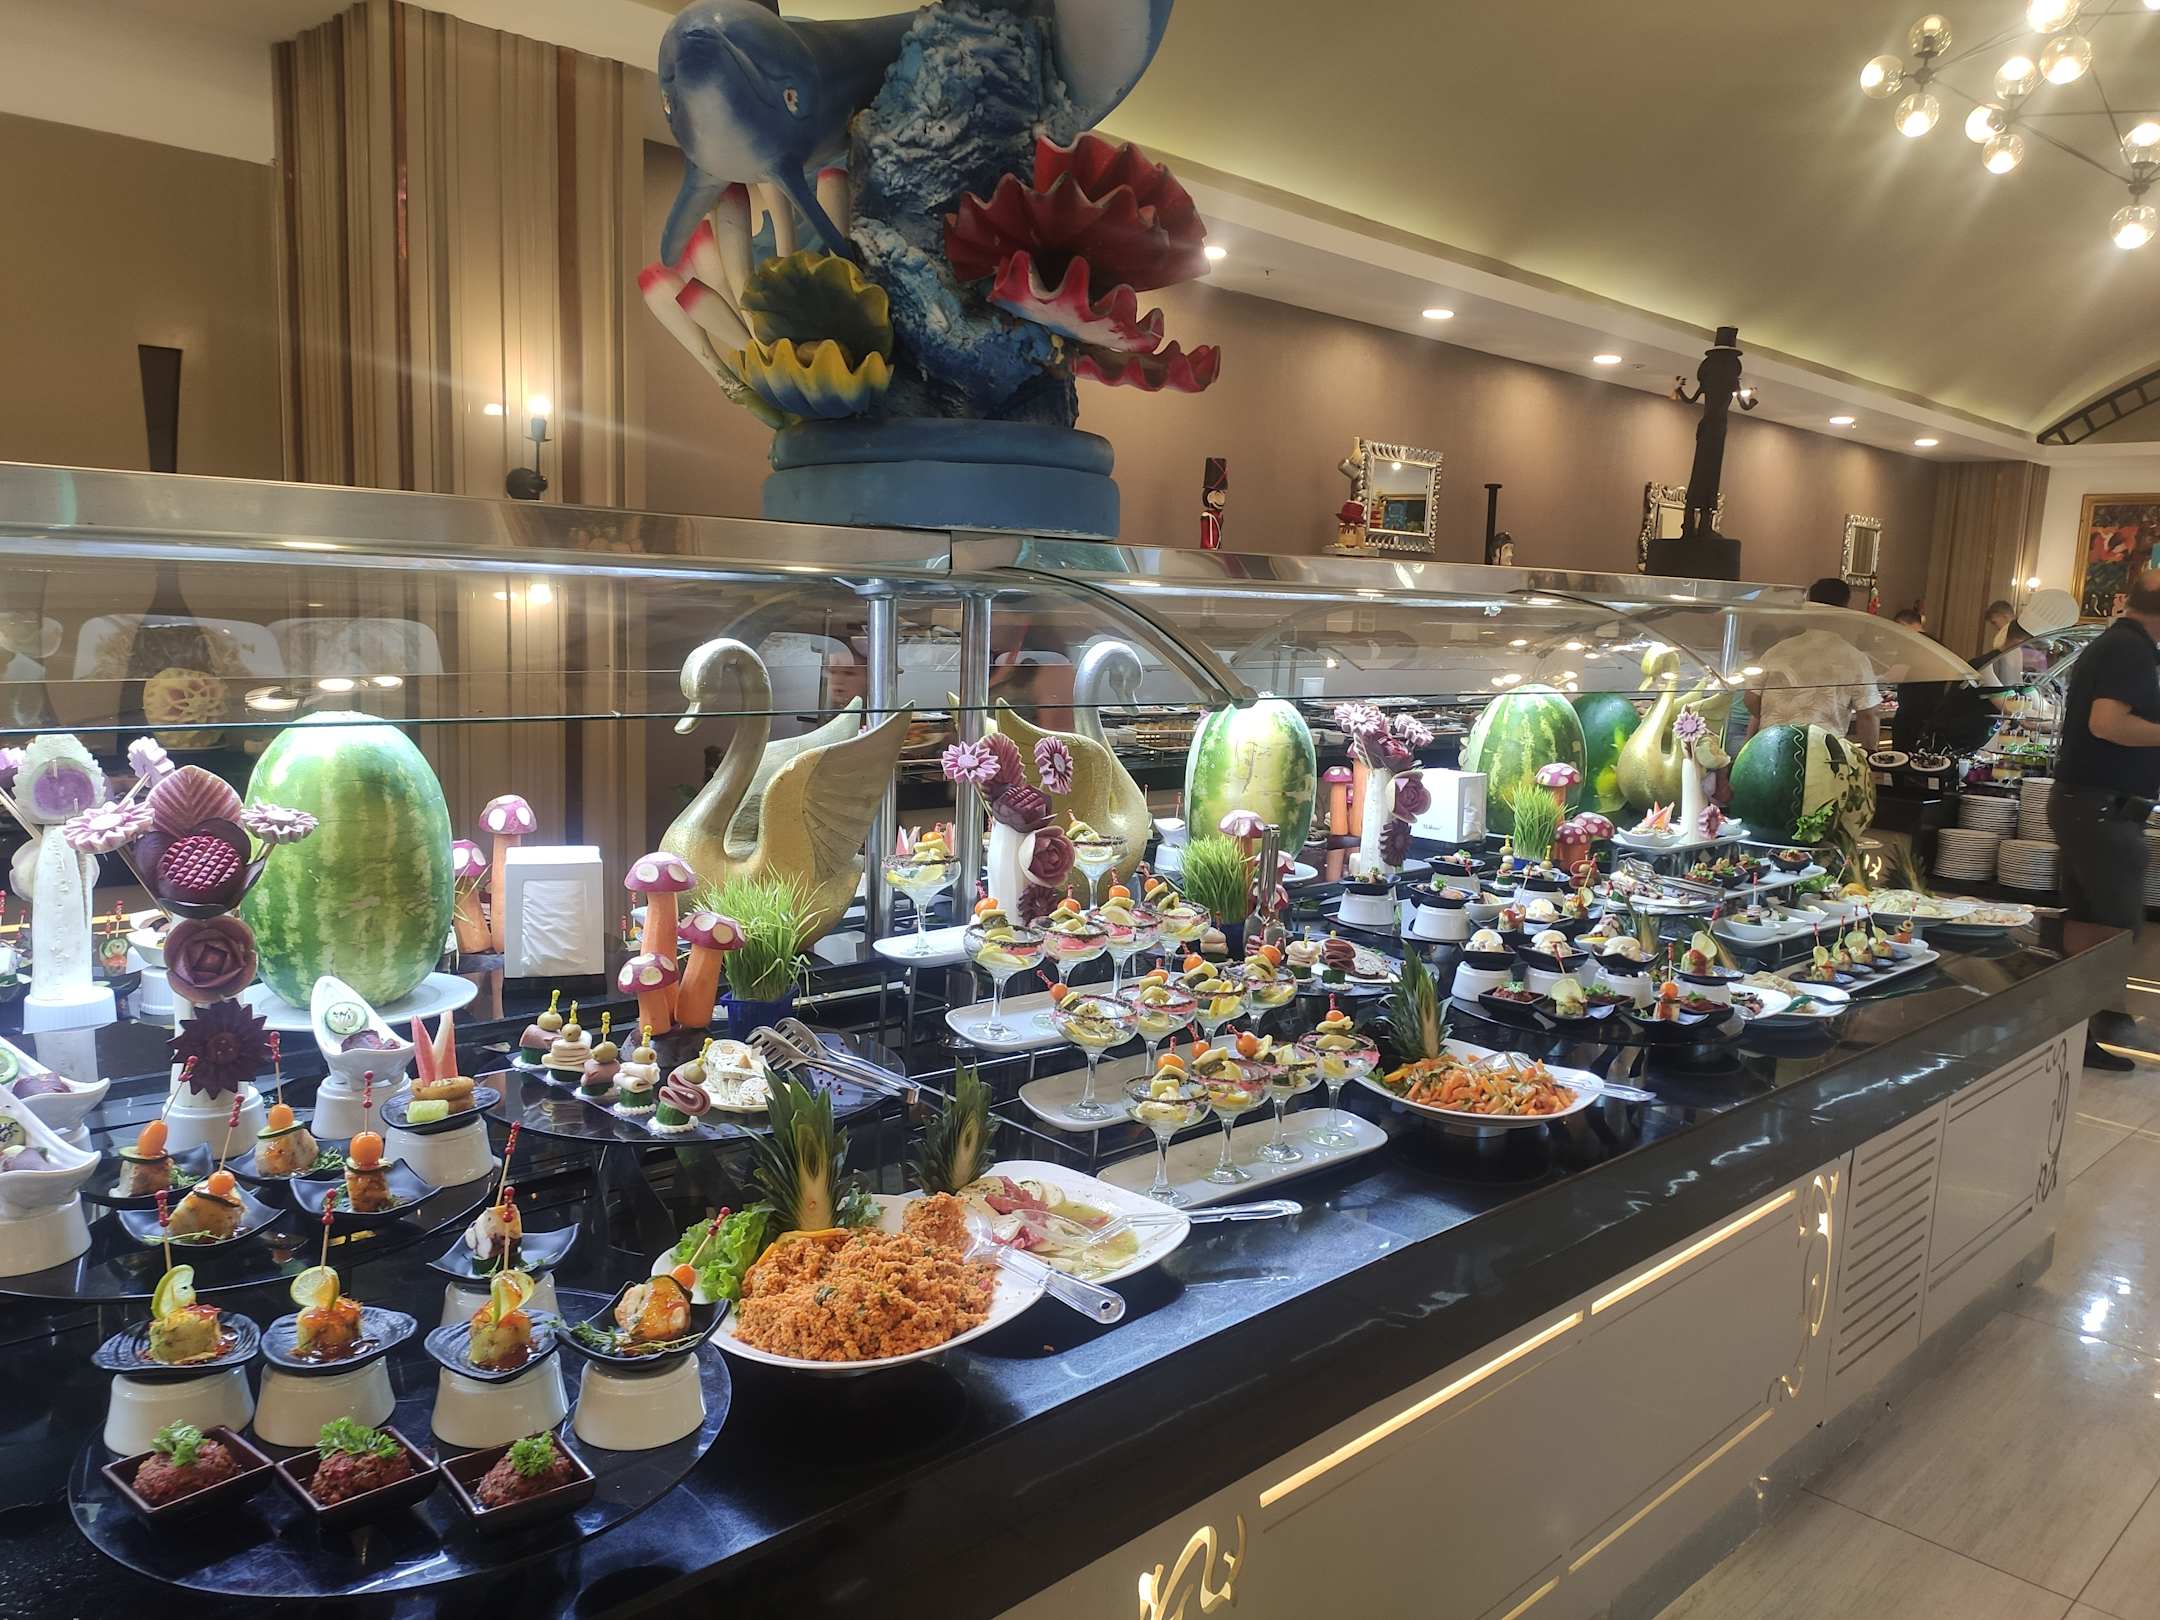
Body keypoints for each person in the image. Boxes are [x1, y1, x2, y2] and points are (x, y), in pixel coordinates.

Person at [2049, 568, 2160, 1070]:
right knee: (2114, 928)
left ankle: (2077, 1032)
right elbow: (2108, 723)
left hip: (2088, 804)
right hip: (2102, 808)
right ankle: (2097, 1027)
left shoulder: (2118, 643)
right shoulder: (2130, 649)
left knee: (2090, 923)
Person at [1746, 577, 1885, 747]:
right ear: (1844, 610)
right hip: (1822, 750)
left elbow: (1751, 699)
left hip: (1772, 746)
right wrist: (1870, 754)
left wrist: (1773, 718)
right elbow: (1869, 715)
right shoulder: (1854, 658)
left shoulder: (1777, 650)